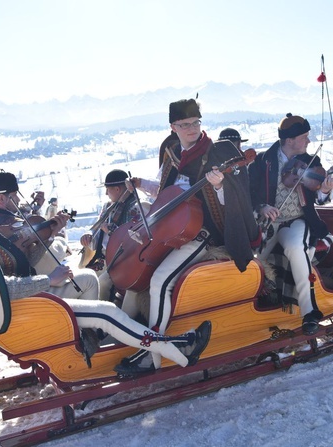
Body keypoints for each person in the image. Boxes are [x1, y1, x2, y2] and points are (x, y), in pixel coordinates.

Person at [0, 174, 211, 373]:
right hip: (18, 313)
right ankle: (177, 348)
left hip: (16, 309)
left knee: (100, 303)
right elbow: (1, 291)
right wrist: (49, 280)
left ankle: (128, 344)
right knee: (106, 313)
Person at [123, 98, 260, 373]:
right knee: (133, 275)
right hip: (171, 231)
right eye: (184, 124)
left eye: (196, 123)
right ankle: (123, 333)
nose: (192, 129)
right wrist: (138, 185)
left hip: (204, 233)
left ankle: (153, 349)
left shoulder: (219, 153)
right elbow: (165, 192)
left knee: (160, 281)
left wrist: (221, 185)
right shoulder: (172, 154)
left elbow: (236, 202)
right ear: (173, 127)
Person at [248, 113, 333, 335]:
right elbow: (248, 194)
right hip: (267, 223)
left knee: (297, 248)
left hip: (297, 220)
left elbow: (318, 198)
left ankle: (309, 311)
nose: (308, 141)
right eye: (304, 137)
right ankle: (251, 308)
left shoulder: (311, 162)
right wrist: (262, 207)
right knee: (253, 260)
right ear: (289, 140)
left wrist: (325, 189)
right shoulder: (263, 162)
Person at [0, 171, 99, 301]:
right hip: (26, 295)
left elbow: (26, 260)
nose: (18, 200)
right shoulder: (2, 227)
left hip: (27, 288)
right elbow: (30, 262)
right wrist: (49, 279)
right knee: (90, 279)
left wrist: (51, 234)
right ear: (1, 198)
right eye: (15, 195)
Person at [80, 169, 148, 302]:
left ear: (117, 189)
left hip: (122, 258)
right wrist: (89, 233)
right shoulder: (107, 207)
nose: (106, 193)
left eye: (108, 190)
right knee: (84, 278)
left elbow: (135, 239)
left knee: (102, 283)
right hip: (103, 256)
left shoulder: (138, 207)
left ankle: (102, 311)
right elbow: (97, 225)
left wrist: (112, 230)